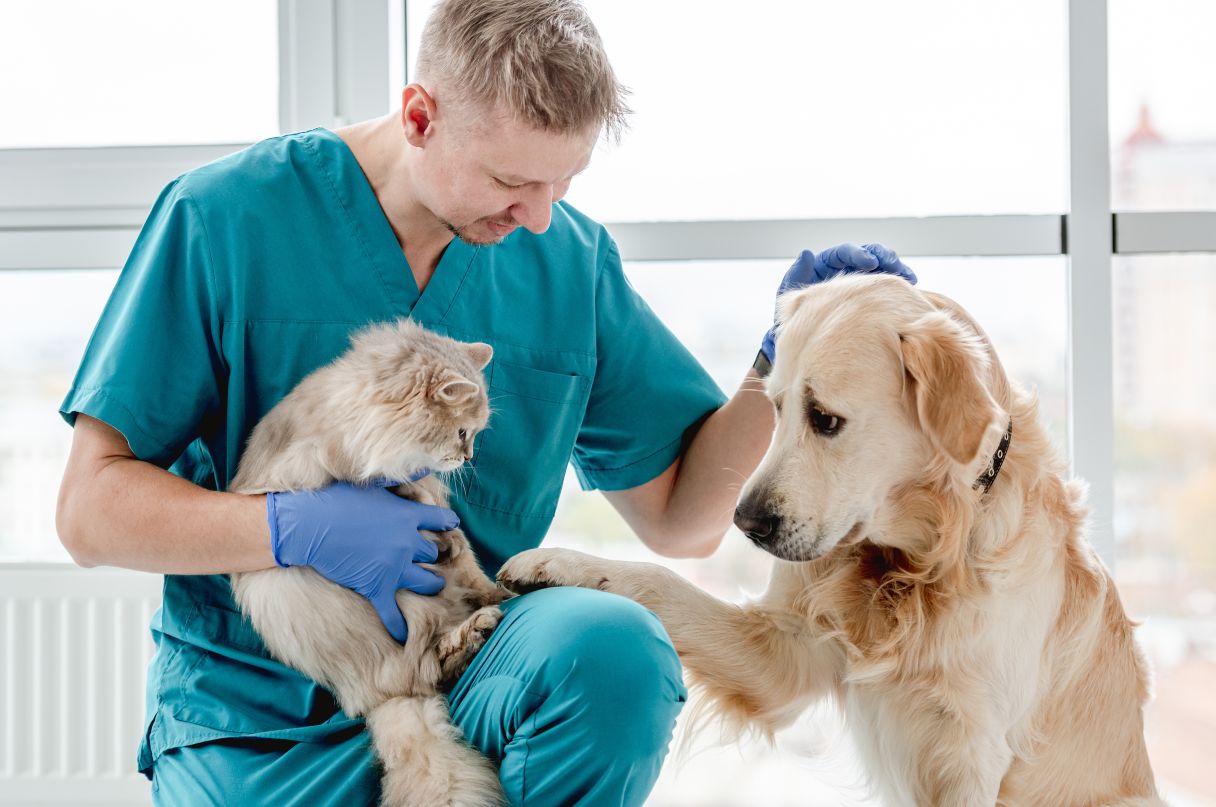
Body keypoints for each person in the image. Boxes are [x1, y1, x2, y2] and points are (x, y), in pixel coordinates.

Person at [54, 1, 913, 804]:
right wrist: (289, 526)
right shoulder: (225, 220)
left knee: (615, 654)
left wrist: (780, 357)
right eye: (511, 181)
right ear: (420, 116)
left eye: (562, 183)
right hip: (251, 726)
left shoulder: (567, 263)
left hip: (471, 673)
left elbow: (683, 516)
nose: (537, 218)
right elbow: (90, 511)